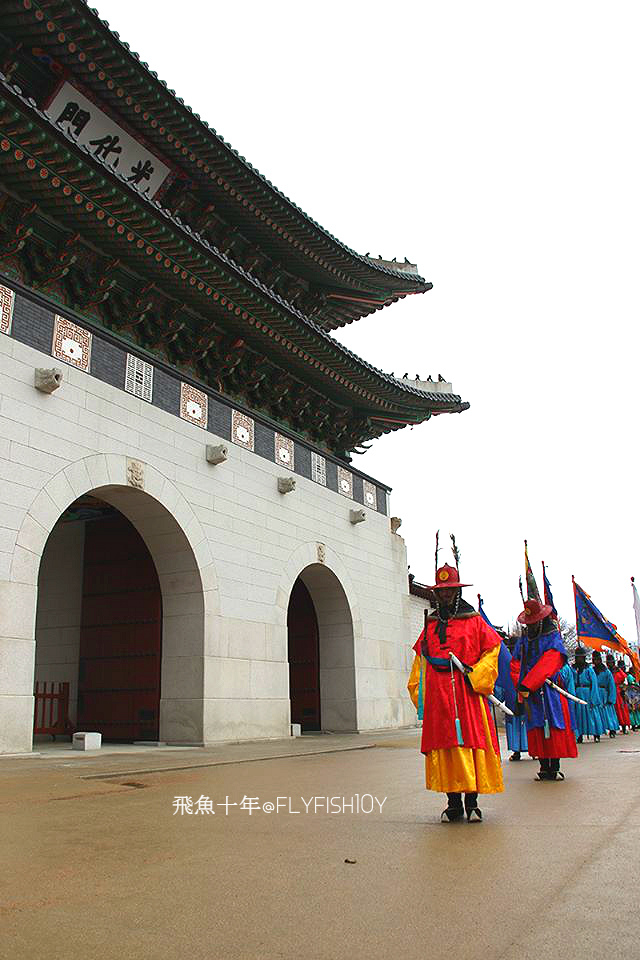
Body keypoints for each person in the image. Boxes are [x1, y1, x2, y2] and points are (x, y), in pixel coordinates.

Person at [407, 563, 503, 823]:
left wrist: (476, 676)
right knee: (446, 747)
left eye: (450, 590)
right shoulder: (430, 623)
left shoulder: (474, 621)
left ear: (458, 591)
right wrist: (421, 694)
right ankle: (452, 803)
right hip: (439, 695)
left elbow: (492, 651)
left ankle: (472, 802)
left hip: (466, 692)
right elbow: (421, 661)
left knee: (469, 743)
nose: (446, 595)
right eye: (442, 591)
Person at [510, 599, 578, 780]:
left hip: (549, 689)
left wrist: (529, 682)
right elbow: (516, 663)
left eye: (534, 623)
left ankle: (554, 767)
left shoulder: (552, 637)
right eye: (528, 623)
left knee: (553, 725)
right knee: (536, 726)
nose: (530, 627)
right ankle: (543, 765)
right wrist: (520, 683)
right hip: (529, 691)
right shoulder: (524, 640)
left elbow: (552, 659)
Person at [573, 648, 605, 743]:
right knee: (578, 715)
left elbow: (594, 683)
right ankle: (579, 735)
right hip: (577, 693)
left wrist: (594, 698)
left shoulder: (589, 669)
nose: (579, 659)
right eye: (577, 657)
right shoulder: (573, 669)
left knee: (592, 714)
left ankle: (596, 733)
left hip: (588, 693)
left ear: (584, 658)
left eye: (581, 657)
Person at [591, 651, 619, 738]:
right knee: (596, 714)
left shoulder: (606, 671)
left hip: (604, 694)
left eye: (597, 659)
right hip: (595, 692)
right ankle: (597, 732)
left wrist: (611, 698)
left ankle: (612, 729)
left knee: (608, 712)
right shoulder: (591, 671)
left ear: (600, 660)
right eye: (594, 660)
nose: (596, 661)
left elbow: (611, 685)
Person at [608, 654, 630, 734]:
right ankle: (612, 729)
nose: (609, 664)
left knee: (621, 710)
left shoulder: (618, 670)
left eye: (611, 662)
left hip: (619, 693)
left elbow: (624, 681)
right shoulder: (607, 671)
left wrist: (623, 689)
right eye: (608, 662)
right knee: (611, 711)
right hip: (610, 692)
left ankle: (624, 726)